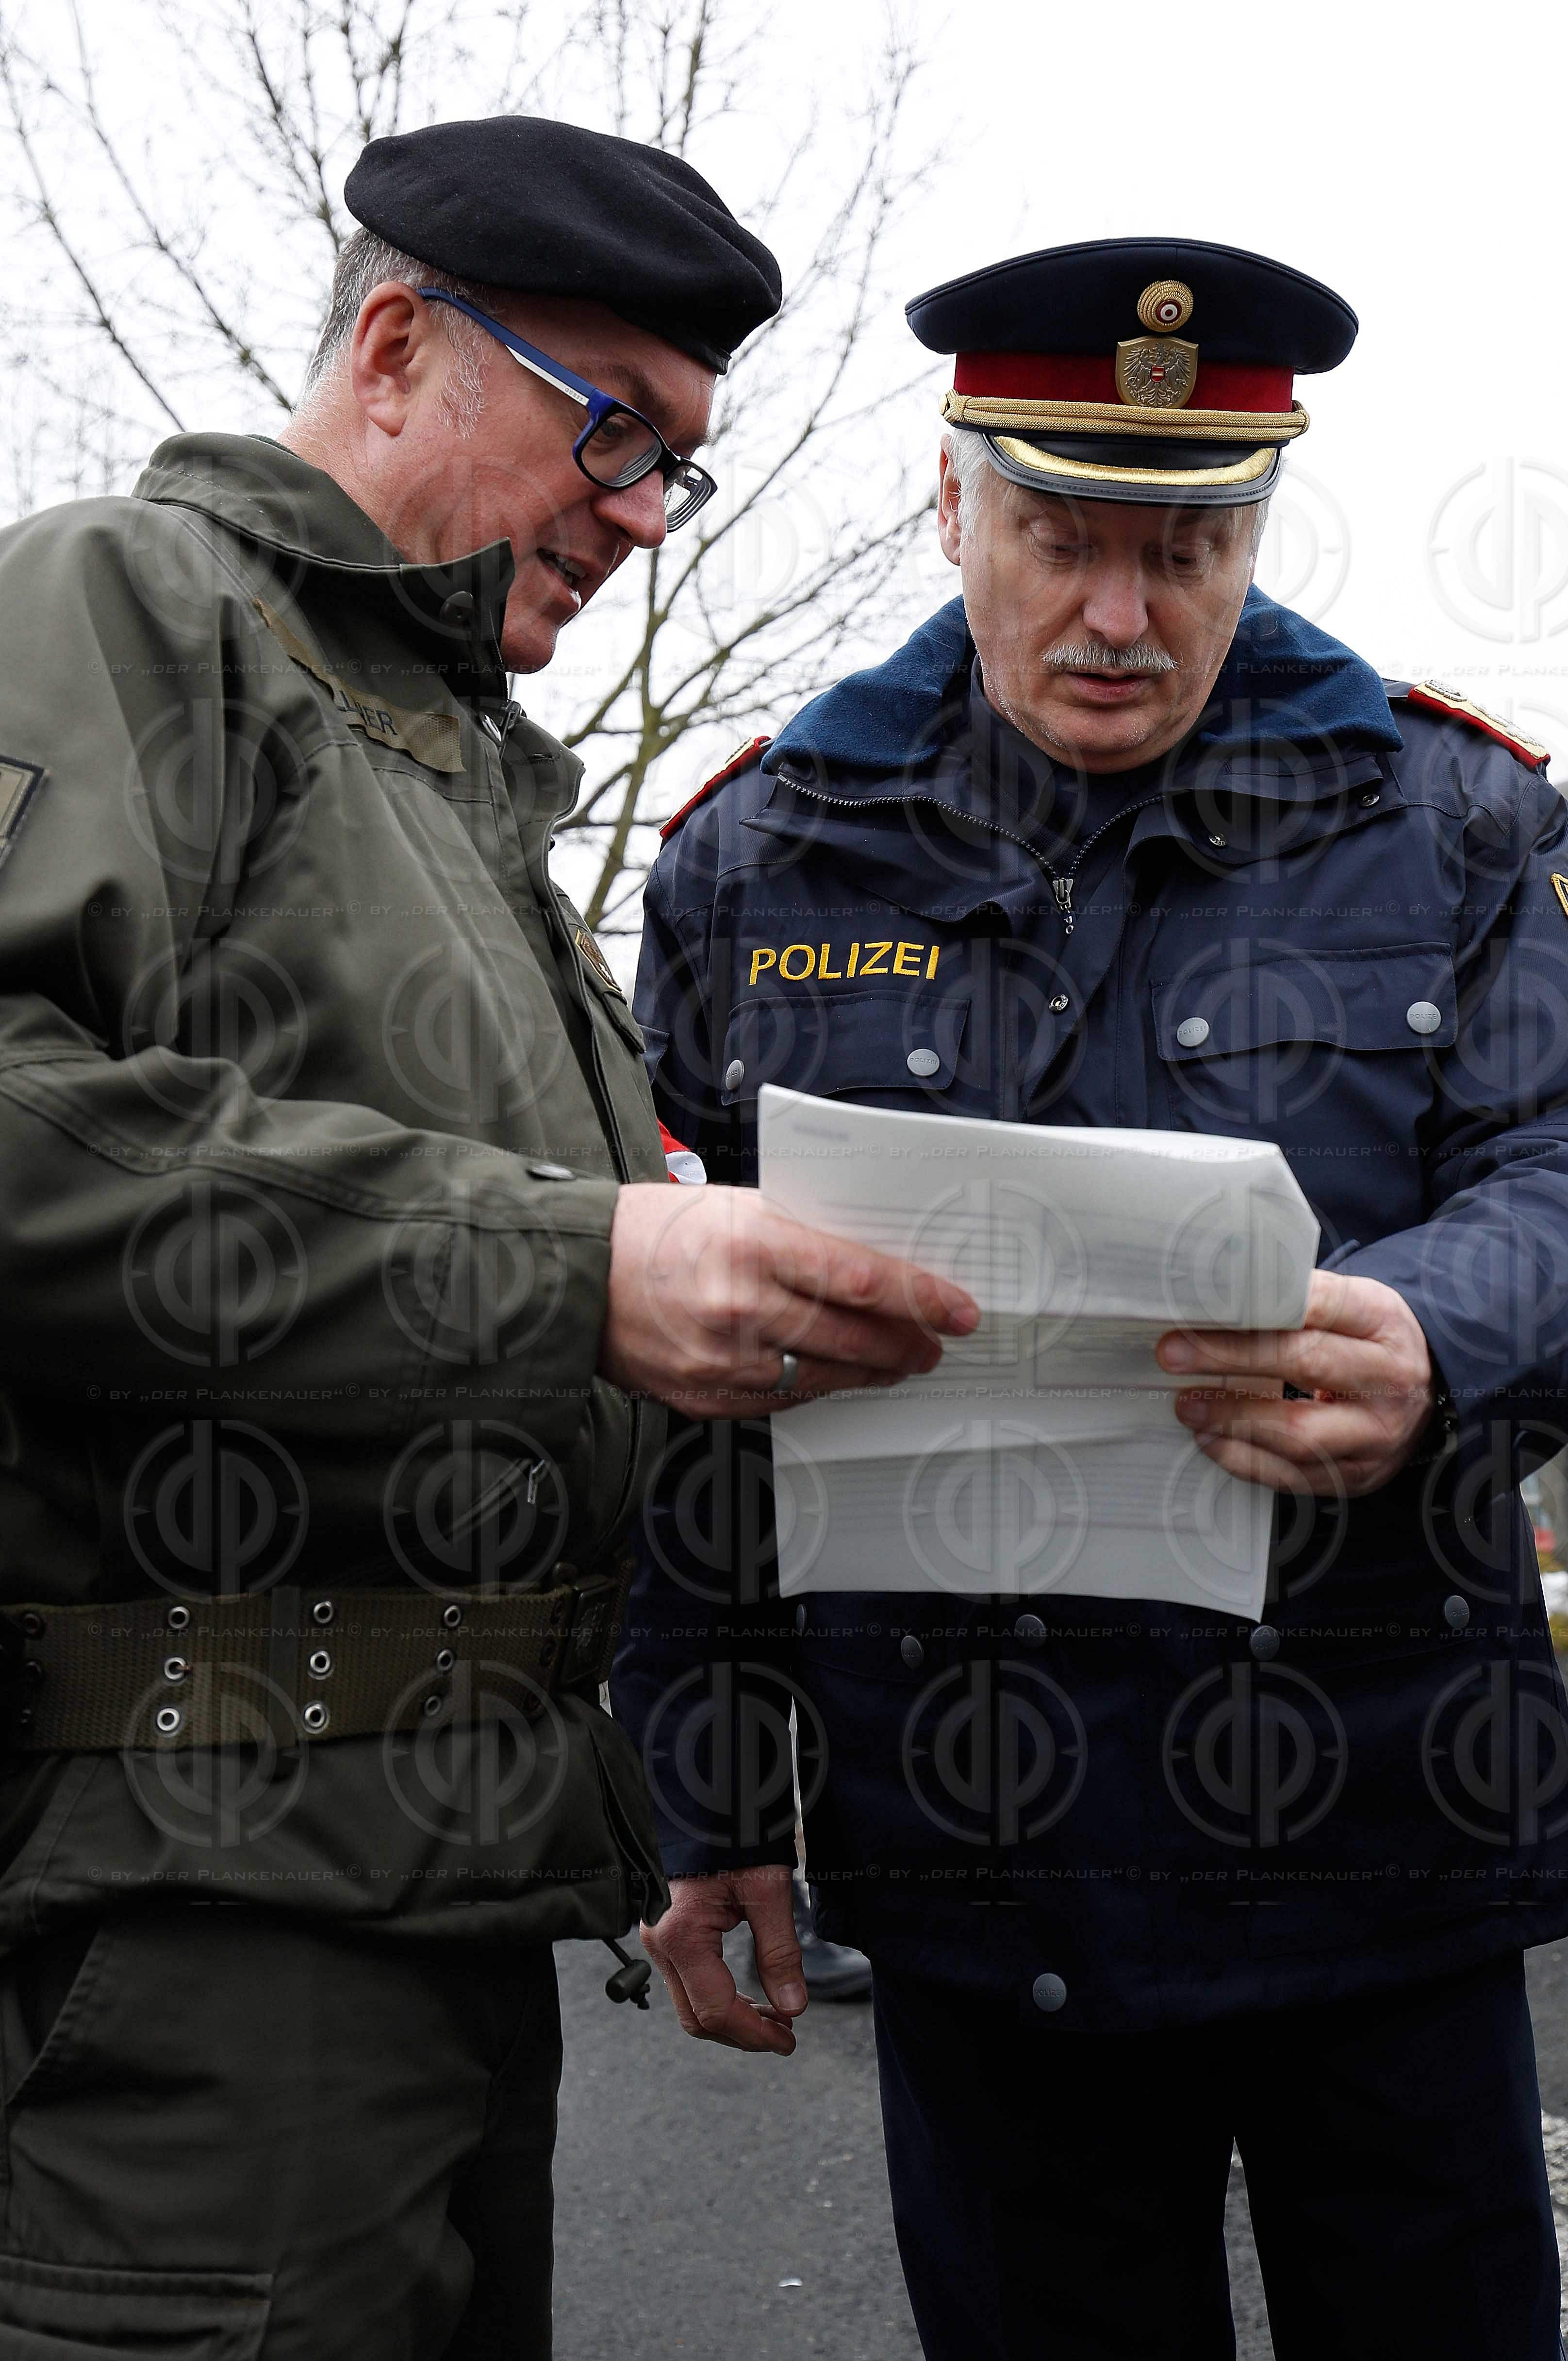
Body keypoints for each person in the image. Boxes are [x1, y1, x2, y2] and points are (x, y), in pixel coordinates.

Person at [614, 237, 1568, 2360]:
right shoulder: (766, 855)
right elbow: (688, 1373)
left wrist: (1436, 1328)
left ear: (1260, 523)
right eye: (1058, 535)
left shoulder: (1448, 812)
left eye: (1188, 543)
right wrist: (709, 1785)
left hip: (1381, 1834)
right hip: (970, 1855)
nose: (1120, 615)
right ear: (950, 505)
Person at [0, 115, 975, 2360]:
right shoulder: (126, 608)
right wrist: (572, 1261)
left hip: (436, 1895)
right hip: (199, 1926)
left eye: (677, 465)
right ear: (400, 341)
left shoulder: (454, 778)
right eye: (611, 427)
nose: (644, 511)